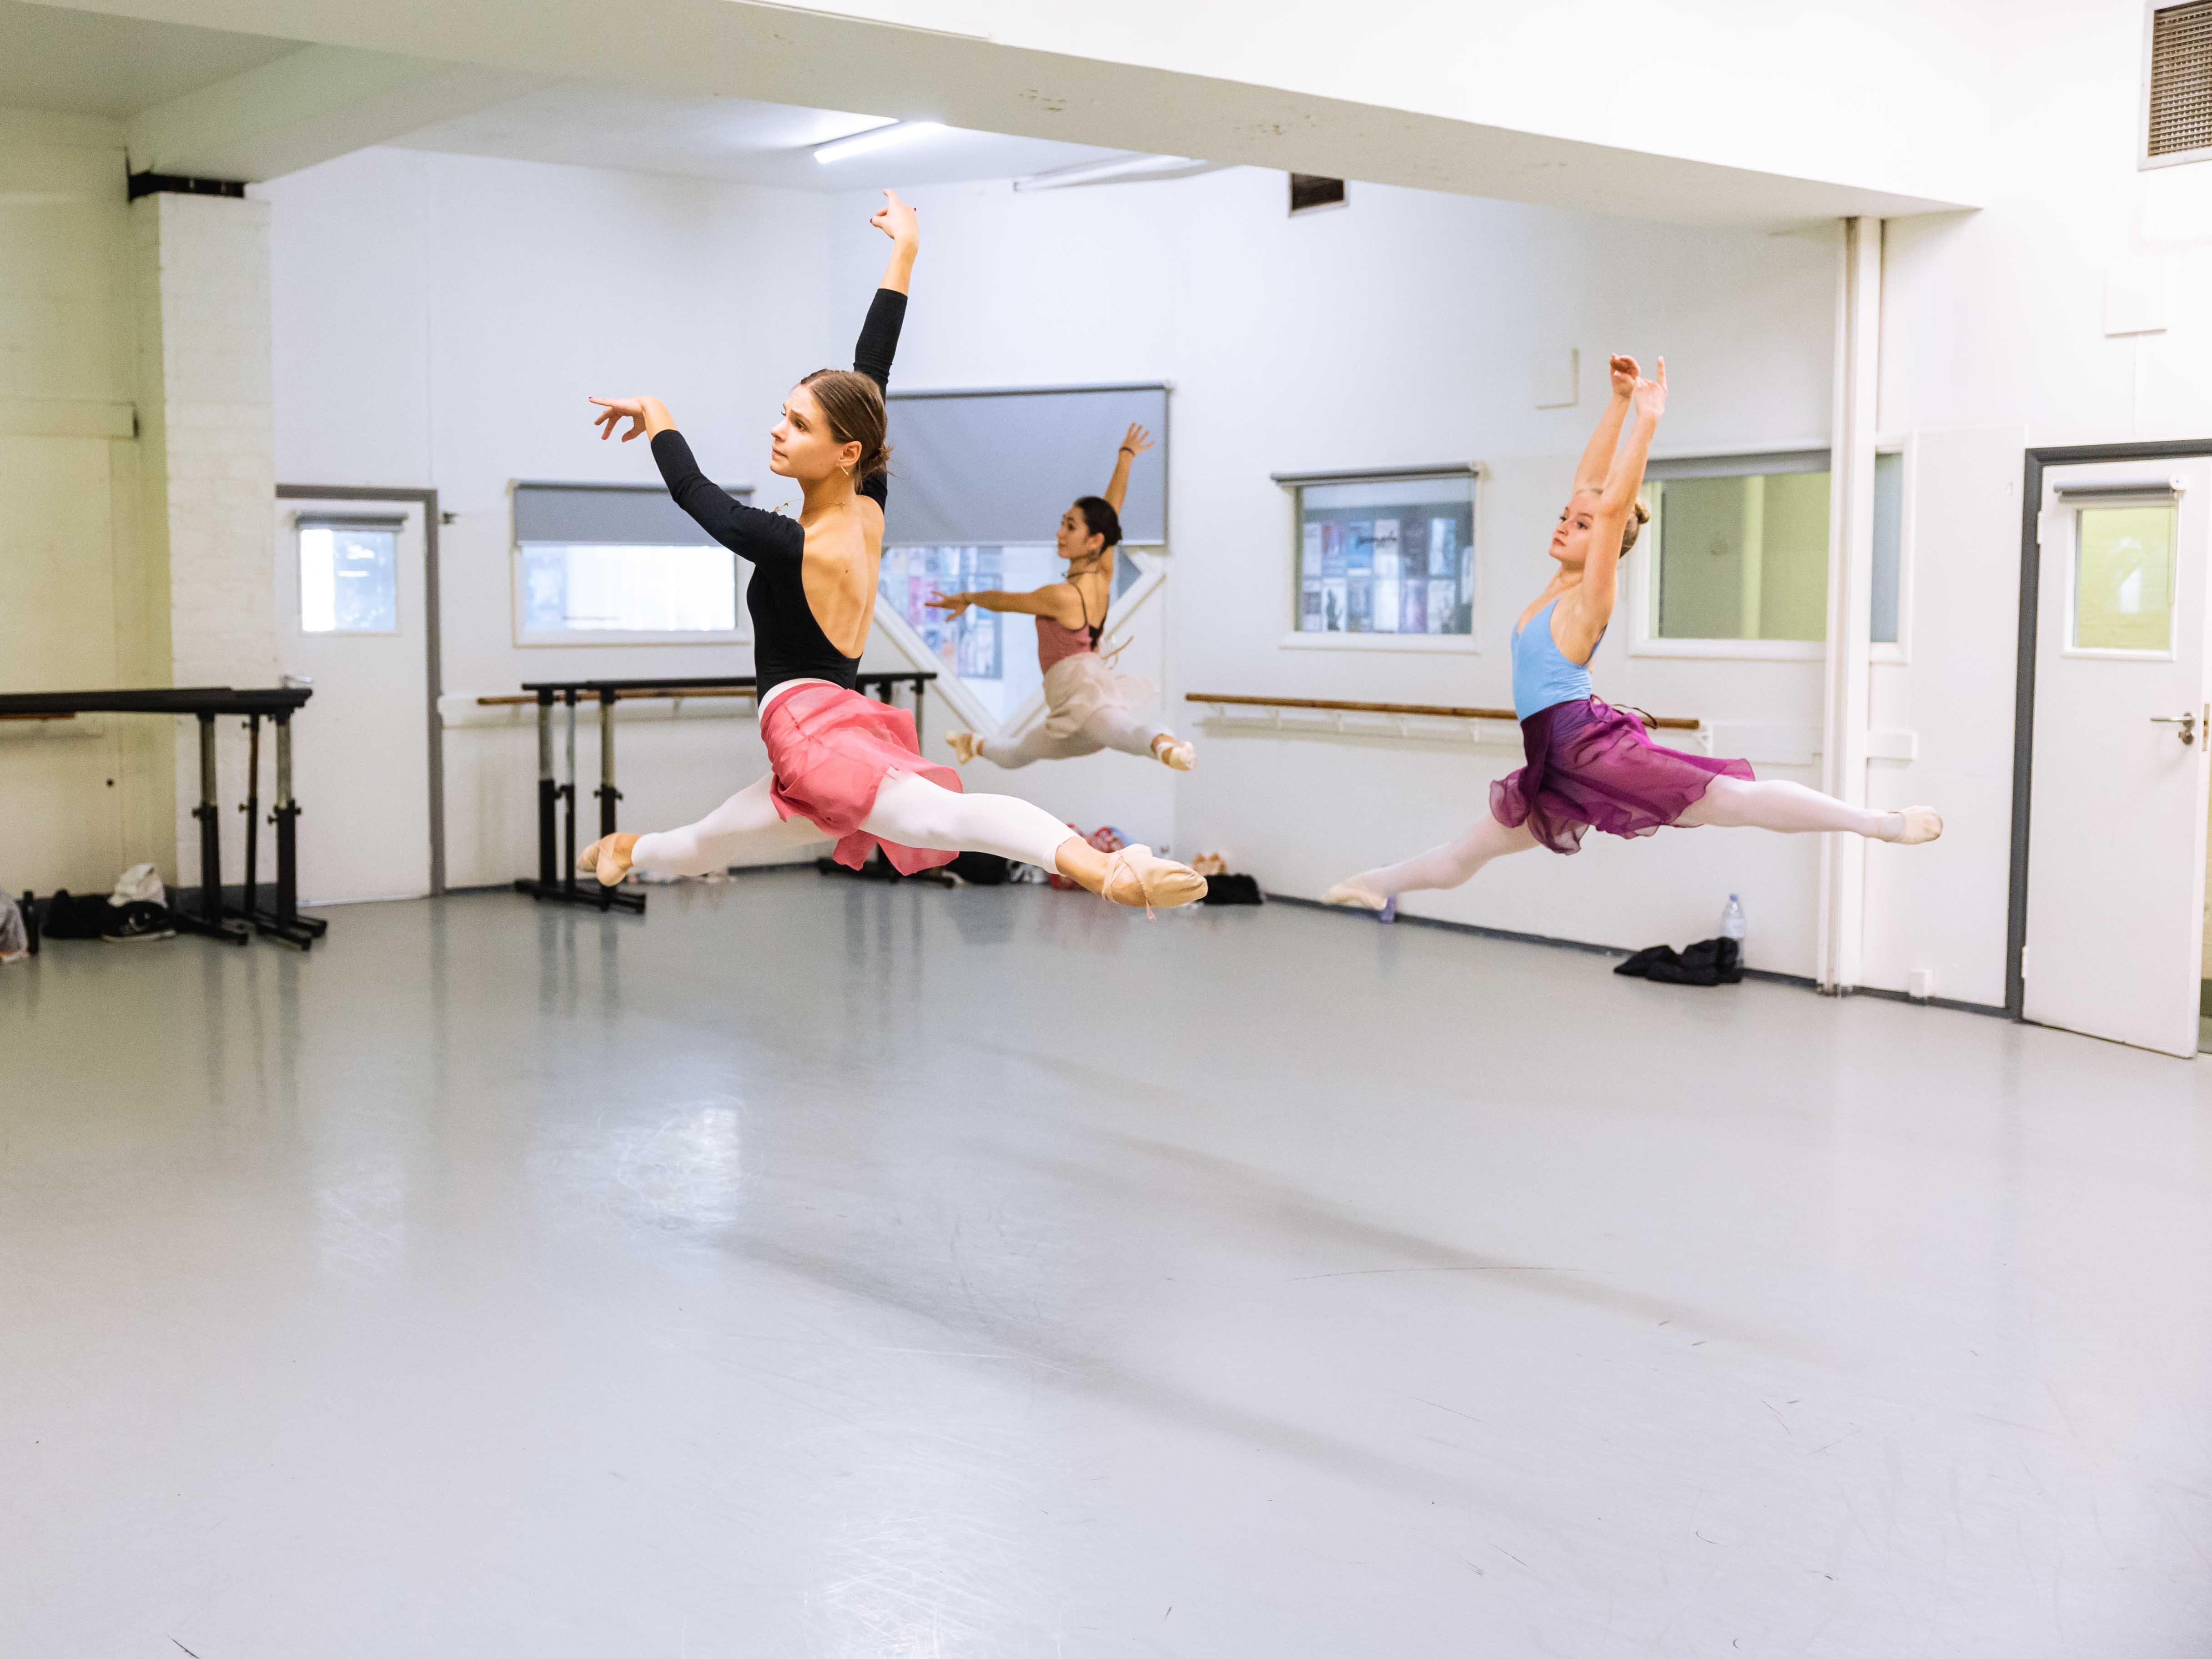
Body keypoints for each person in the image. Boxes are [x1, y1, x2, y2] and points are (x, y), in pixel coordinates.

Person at [574, 192, 1204, 912]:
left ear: (844, 452)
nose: (779, 430)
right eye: (784, 414)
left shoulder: (791, 543)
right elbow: (872, 368)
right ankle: (630, 850)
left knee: (937, 814)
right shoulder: (869, 509)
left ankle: (1105, 871)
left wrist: (655, 411)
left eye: (798, 424)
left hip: (810, 725)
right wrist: (903, 252)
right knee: (712, 842)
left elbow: (692, 490)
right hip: (838, 714)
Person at [1323, 354, 1940, 920]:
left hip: (1591, 749)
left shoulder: (1589, 597)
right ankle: (1379, 881)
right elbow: (1593, 485)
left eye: (1582, 525)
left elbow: (1612, 505)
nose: (1567, 524)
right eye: (1565, 516)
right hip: (1553, 761)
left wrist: (1647, 421)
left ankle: (1877, 824)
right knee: (1470, 851)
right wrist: (1617, 403)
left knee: (1730, 799)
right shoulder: (1553, 585)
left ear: (1608, 547)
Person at [928, 427, 1194, 772]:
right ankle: (973, 743)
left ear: (1093, 541)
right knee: (1018, 754)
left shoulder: (1062, 597)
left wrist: (967, 597)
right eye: (1063, 524)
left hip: (1086, 700)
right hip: (1071, 711)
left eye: (1071, 527)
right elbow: (1111, 512)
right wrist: (1124, 460)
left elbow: (1004, 600)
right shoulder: (1103, 575)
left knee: (1126, 731)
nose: (1060, 533)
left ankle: (1168, 749)